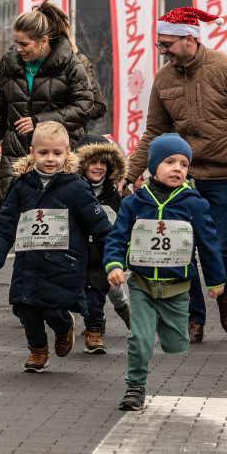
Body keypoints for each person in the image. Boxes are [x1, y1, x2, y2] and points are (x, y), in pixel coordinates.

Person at [123, 7, 227, 343]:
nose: (162, 52)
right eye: (160, 45)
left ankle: (223, 294)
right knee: (182, 248)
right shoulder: (164, 79)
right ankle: (195, 316)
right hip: (183, 178)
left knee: (216, 245)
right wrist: (129, 173)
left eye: (167, 45)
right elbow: (154, 133)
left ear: (189, 39)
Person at [104, 134, 227, 411]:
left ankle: (162, 323)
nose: (177, 169)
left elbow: (209, 245)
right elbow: (117, 238)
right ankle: (135, 387)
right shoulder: (133, 203)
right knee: (140, 339)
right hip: (142, 283)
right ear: (153, 165)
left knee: (175, 345)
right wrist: (113, 264)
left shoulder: (194, 204)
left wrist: (217, 280)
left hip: (177, 287)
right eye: (169, 161)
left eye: (184, 164)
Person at [0, 121, 112, 373]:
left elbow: (101, 226)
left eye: (56, 153)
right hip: (28, 264)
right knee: (25, 308)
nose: (50, 159)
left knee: (52, 309)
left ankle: (64, 328)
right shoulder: (22, 186)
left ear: (67, 154)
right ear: (32, 153)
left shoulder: (75, 188)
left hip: (64, 264)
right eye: (43, 153)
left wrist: (114, 259)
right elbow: (6, 222)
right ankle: (38, 351)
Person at [0, 0, 97, 199]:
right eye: (16, 43)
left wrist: (40, 122)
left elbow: (84, 108)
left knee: (60, 223)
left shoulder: (72, 66)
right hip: (15, 158)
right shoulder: (9, 68)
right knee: (12, 223)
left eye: (24, 44)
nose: (18, 49)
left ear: (43, 41)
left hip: (60, 158)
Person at [74, 135, 131, 355]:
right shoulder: (72, 191)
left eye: (103, 162)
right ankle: (80, 324)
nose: (98, 167)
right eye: (92, 162)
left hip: (104, 256)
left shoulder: (118, 196)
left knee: (105, 292)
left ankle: (96, 331)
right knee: (74, 297)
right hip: (76, 255)